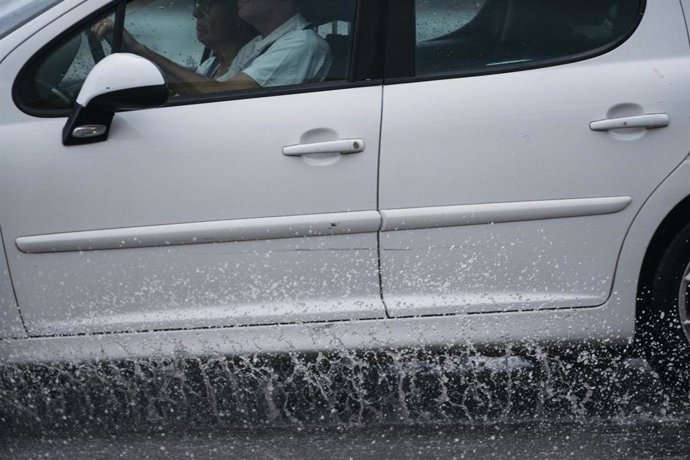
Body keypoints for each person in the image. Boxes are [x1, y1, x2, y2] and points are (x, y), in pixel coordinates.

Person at [92, 0, 256, 94]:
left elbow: (223, 95)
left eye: (206, 6)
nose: (196, 14)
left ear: (238, 16)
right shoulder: (209, 66)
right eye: (197, 5)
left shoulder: (252, 61)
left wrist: (138, 49)